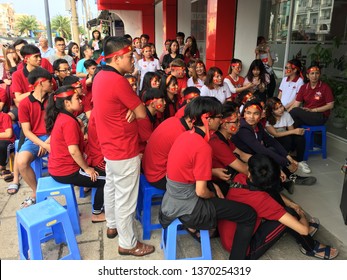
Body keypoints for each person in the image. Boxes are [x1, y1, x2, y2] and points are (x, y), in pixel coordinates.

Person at [159, 96, 257, 260]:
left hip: (172, 198)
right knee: (248, 214)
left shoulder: (185, 136)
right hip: (189, 206)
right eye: (219, 117)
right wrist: (212, 194)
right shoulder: (202, 146)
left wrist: (213, 186)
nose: (221, 121)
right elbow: (201, 192)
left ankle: (211, 230)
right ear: (207, 119)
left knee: (219, 191)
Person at [92, 36, 154, 256]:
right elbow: (141, 111)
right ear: (117, 58)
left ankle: (112, 225)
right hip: (124, 149)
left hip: (110, 146)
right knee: (126, 199)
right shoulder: (118, 80)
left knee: (111, 187)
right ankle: (128, 243)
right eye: (129, 57)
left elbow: (127, 107)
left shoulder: (100, 76)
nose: (133, 60)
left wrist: (130, 108)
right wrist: (134, 110)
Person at [219, 154, 338, 260]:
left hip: (231, 234)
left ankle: (295, 224)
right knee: (289, 215)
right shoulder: (263, 201)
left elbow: (265, 189)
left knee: (282, 205)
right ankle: (310, 247)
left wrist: (291, 203)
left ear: (249, 172)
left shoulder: (240, 178)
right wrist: (301, 214)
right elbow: (304, 230)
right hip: (242, 249)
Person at [46, 85, 105, 223]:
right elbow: (73, 151)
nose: (80, 101)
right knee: (108, 180)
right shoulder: (68, 122)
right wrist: (87, 169)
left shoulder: (65, 117)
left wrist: (82, 128)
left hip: (59, 167)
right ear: (67, 103)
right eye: (77, 98)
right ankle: (97, 213)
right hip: (66, 171)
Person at [232, 99, 317, 192]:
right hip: (242, 159)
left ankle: (289, 179)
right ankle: (283, 182)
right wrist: (287, 163)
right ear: (243, 114)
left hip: (254, 156)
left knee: (274, 150)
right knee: (269, 155)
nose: (251, 117)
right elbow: (261, 150)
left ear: (261, 115)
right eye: (248, 113)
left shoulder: (257, 125)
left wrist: (288, 157)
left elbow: (271, 140)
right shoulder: (243, 128)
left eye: (255, 113)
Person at [17, 67, 52, 207]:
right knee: (21, 162)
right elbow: (26, 131)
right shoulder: (25, 103)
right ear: (41, 83)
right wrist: (43, 145)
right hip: (34, 139)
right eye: (49, 81)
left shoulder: (53, 100)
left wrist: (48, 142)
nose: (52, 84)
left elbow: (59, 125)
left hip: (53, 137)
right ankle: (36, 191)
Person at [209, 102, 251, 196]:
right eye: (236, 122)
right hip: (220, 184)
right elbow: (243, 169)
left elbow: (243, 155)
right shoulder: (217, 143)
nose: (239, 124)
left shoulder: (225, 139)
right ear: (224, 125)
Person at [265, 97, 311, 174]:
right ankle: (285, 160)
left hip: (286, 141)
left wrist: (297, 132)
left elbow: (291, 131)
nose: (280, 110)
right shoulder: (268, 119)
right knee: (286, 138)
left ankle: (300, 161)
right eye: (276, 109)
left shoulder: (286, 115)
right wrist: (294, 131)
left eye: (281, 106)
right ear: (271, 111)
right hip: (274, 143)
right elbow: (275, 134)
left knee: (299, 137)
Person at [138, 88, 166, 154]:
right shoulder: (143, 119)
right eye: (162, 100)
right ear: (152, 104)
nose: (165, 103)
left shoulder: (155, 116)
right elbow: (151, 143)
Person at [0, 110, 15, 193]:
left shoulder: (4, 116)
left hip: (8, 142)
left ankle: (3, 168)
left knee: (2, 145)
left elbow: (8, 134)